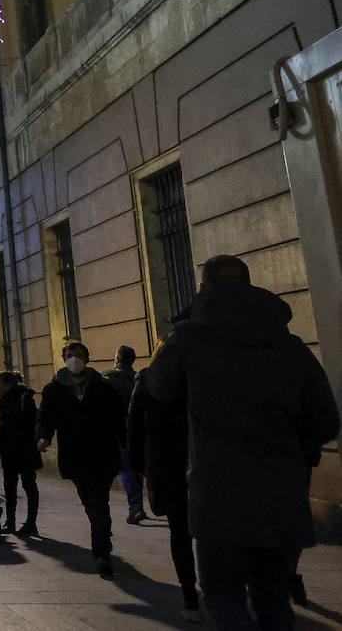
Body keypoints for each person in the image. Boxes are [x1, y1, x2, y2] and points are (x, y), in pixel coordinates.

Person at [144, 255, 339, 630]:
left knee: (224, 599)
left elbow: (159, 386)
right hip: (282, 495)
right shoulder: (290, 344)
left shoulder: (190, 338)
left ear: (203, 289)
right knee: (274, 602)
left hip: (219, 495)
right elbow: (327, 419)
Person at [37, 340, 125, 577]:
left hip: (102, 454)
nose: (73, 359)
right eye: (69, 355)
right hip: (75, 455)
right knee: (91, 502)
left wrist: (125, 444)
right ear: (64, 358)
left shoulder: (103, 387)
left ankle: (102, 551)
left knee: (100, 503)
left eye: (77, 355)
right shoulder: (54, 389)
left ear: (86, 358)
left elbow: (118, 419)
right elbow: (46, 418)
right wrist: (44, 437)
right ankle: (102, 540)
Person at [127, 357, 200, 623]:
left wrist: (139, 467)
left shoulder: (148, 380)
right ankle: (213, 594)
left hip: (168, 466)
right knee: (210, 533)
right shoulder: (209, 373)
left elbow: (133, 427)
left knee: (180, 533)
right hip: (206, 464)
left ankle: (191, 597)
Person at [0, 370, 40, 536]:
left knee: (29, 485)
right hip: (9, 452)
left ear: (7, 385)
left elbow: (31, 423)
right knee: (10, 487)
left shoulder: (24, 398)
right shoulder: (4, 399)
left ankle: (31, 523)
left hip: (24, 450)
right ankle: (11, 522)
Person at [103, 344, 146, 524]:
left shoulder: (109, 377)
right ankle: (138, 506)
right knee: (135, 468)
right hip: (138, 430)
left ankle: (135, 506)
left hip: (118, 430)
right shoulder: (138, 378)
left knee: (125, 468)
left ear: (118, 359)